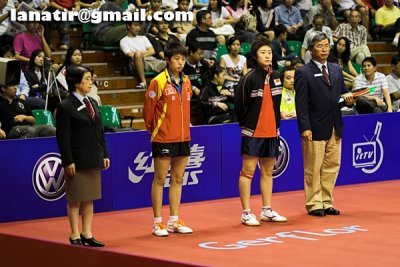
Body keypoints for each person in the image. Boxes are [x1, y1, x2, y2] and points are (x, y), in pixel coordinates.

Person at [294, 32, 354, 217]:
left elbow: (341, 95)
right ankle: (314, 203)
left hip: (335, 126)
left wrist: (349, 100)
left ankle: (326, 202)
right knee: (313, 167)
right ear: (311, 49)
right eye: (320, 46)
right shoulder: (303, 72)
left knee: (331, 166)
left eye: (327, 45)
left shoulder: (336, 70)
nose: (325, 49)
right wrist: (305, 127)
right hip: (314, 127)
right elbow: (301, 105)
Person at [234, 36, 286, 226]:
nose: (267, 55)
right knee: (247, 172)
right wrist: (247, 126)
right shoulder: (248, 78)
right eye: (263, 52)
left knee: (267, 172)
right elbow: (239, 106)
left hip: (272, 132)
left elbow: (277, 103)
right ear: (255, 56)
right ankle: (246, 212)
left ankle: (267, 210)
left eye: (270, 52)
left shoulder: (277, 76)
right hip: (252, 133)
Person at [56, 66, 110, 246]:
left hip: (93, 157)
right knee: (75, 199)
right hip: (77, 160)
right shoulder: (65, 106)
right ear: (77, 82)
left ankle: (87, 233)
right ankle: (74, 234)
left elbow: (100, 131)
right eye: (87, 79)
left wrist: (104, 153)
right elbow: (62, 138)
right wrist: (68, 160)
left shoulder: (93, 102)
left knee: (89, 198)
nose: (90, 82)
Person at [143, 42, 193, 237]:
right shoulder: (158, 81)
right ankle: (157, 222)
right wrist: (156, 131)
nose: (180, 63)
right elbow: (148, 112)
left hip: (183, 138)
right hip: (163, 138)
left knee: (178, 179)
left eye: (183, 59)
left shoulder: (187, 81)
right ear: (167, 60)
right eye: (176, 59)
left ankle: (174, 220)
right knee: (160, 179)